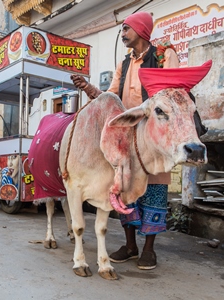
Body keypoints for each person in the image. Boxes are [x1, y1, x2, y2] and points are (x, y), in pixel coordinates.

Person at [71, 11, 179, 270]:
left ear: (141, 30)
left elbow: (173, 90)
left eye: (127, 29)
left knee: (154, 190)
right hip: (128, 137)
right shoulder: (125, 64)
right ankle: (130, 246)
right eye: (122, 29)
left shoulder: (164, 55)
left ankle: (149, 250)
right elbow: (110, 98)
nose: (123, 34)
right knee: (125, 191)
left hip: (154, 137)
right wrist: (88, 89)